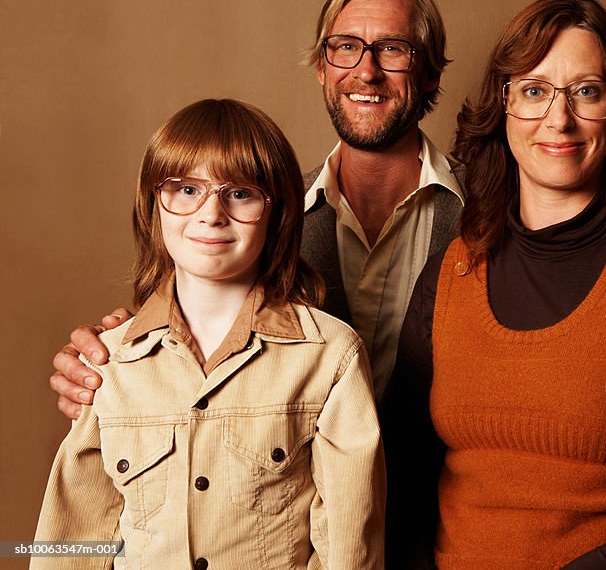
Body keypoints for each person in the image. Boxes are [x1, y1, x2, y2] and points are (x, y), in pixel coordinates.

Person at [49, 0, 606, 414]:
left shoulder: (510, 211)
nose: (366, 69)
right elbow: (195, 322)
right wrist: (116, 355)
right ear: (320, 68)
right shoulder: (257, 216)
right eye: (345, 48)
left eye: (393, 49)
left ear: (427, 73)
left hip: (434, 522)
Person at [382, 0, 606, 568]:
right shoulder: (452, 271)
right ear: (505, 106)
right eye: (535, 90)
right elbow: (403, 485)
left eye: (586, 92)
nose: (558, 118)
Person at [33, 99, 384, 568]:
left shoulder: (330, 356)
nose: (211, 213)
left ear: (277, 211)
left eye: (240, 193)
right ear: (153, 204)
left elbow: (349, 542)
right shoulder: (108, 362)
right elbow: (73, 538)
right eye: (186, 189)